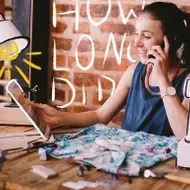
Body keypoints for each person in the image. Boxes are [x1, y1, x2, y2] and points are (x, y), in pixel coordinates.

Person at [33, 2, 190, 140]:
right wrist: (59, 117)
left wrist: (163, 81)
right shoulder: (134, 71)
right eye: (136, 34)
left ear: (171, 40)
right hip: (128, 161)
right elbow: (100, 116)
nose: (137, 43)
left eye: (146, 37)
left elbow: (184, 133)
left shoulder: (187, 80)